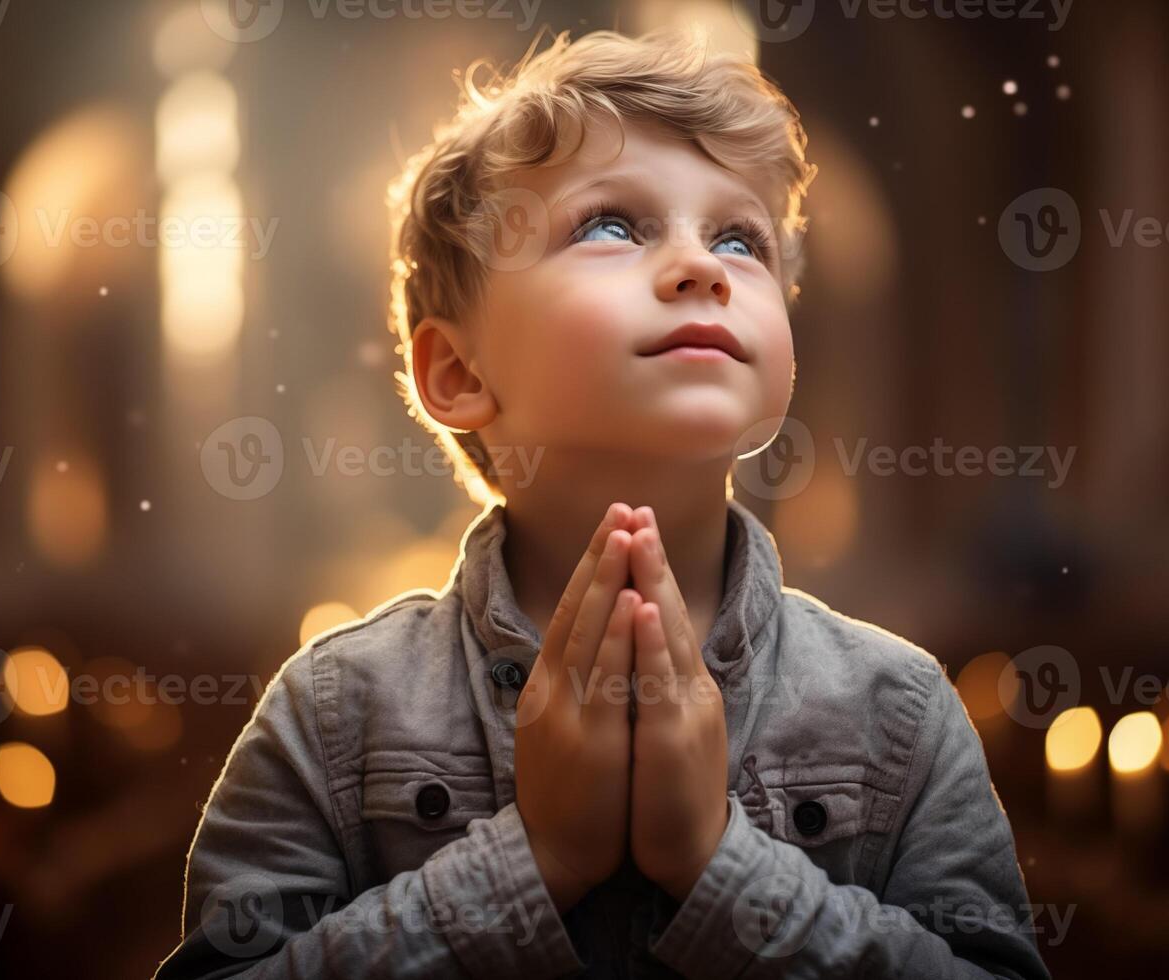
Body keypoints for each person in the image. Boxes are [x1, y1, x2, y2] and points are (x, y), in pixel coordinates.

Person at [155, 27, 1052, 979]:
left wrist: (720, 865)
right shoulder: (331, 713)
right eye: (611, 226)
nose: (699, 267)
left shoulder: (900, 711)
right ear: (458, 371)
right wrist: (533, 862)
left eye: (739, 238)